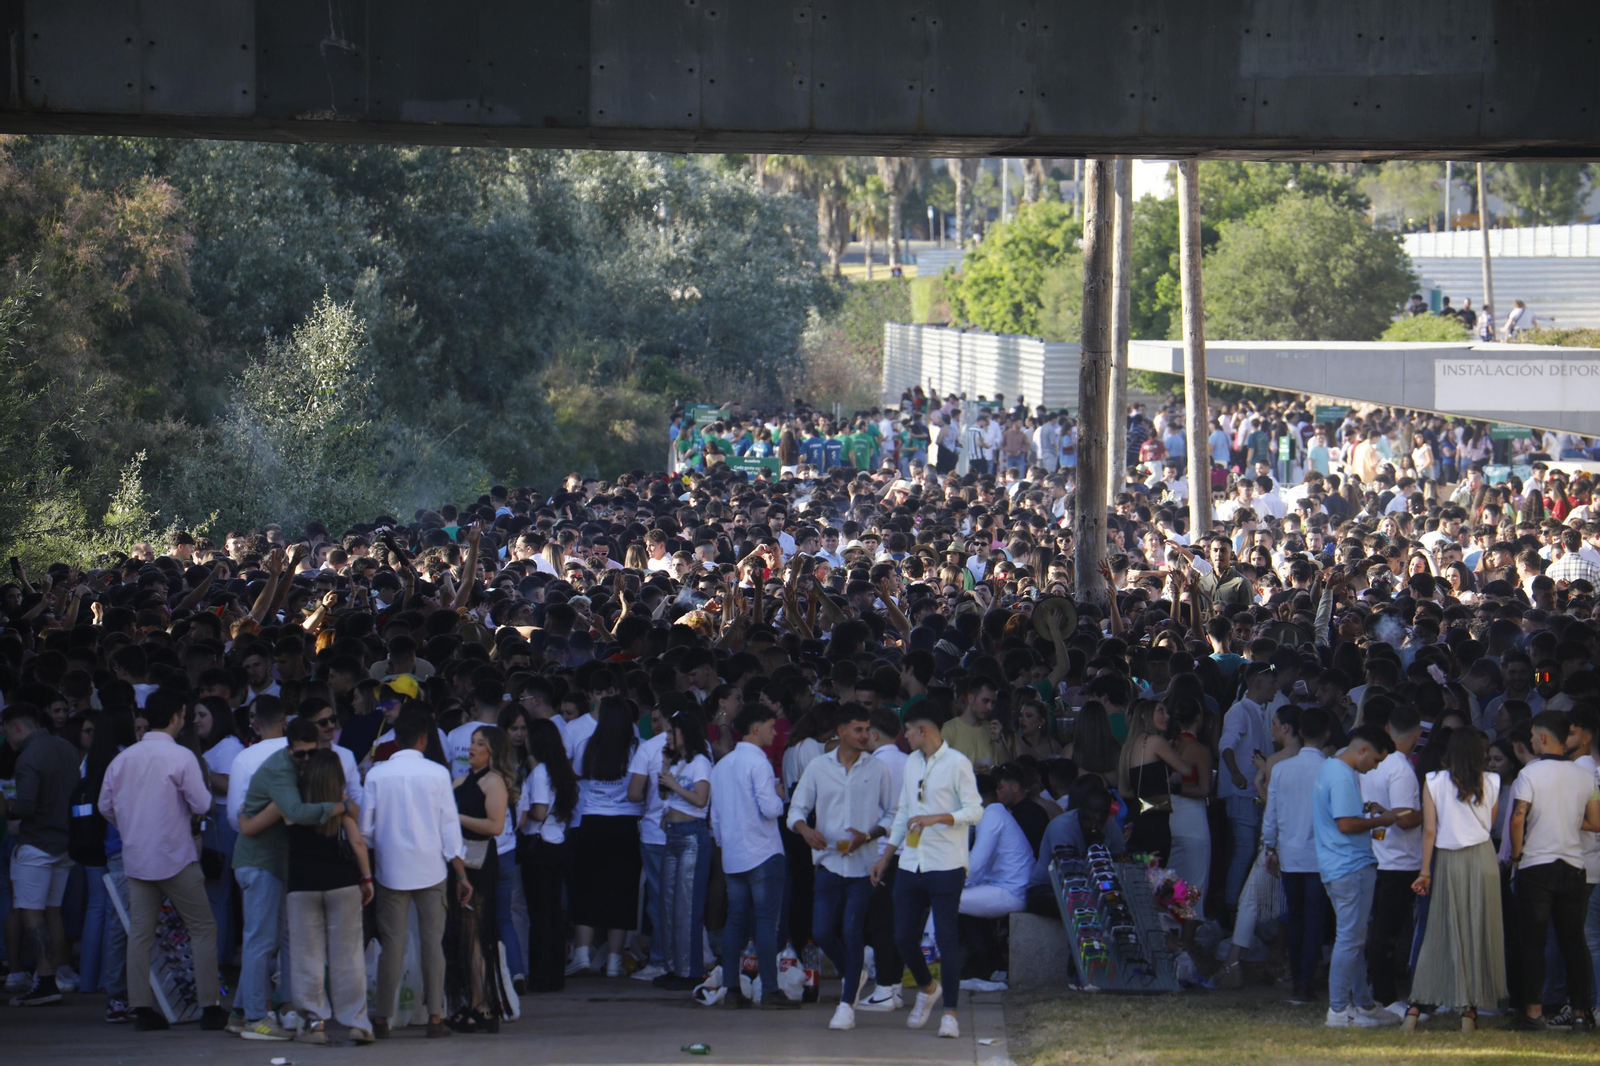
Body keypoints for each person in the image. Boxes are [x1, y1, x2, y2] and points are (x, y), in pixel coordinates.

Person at [96, 692, 229, 1032]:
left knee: (140, 934)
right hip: (175, 855)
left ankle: (142, 1008)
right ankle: (210, 1006)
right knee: (202, 928)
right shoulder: (181, 756)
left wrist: (129, 828)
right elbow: (202, 804)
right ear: (175, 717)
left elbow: (104, 806)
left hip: (137, 858)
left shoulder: (123, 759)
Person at [241, 747, 374, 1044]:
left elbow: (248, 825)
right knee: (349, 956)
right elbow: (357, 842)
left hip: (302, 886)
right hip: (342, 883)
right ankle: (357, 1023)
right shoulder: (342, 806)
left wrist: (242, 813)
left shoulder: (291, 807)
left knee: (307, 958)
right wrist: (366, 878)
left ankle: (314, 1022)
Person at [870, 703, 984, 1040]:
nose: (904, 736)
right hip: (911, 861)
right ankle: (927, 987)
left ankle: (950, 1013)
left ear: (923, 730)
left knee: (947, 938)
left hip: (946, 862)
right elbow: (903, 812)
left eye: (908, 730)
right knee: (902, 935)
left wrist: (940, 818)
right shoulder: (911, 763)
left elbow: (975, 811)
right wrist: (885, 857)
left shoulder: (957, 763)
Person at [361, 703, 472, 1040]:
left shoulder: (376, 774)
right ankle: (435, 1016)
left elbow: (365, 830)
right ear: (424, 739)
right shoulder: (438, 774)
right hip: (432, 869)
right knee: (432, 944)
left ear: (396, 739)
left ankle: (382, 1018)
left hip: (390, 871)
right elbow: (449, 829)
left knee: (392, 944)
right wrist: (461, 873)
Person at [787, 702, 896, 1030]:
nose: (865, 736)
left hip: (864, 866)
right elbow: (796, 810)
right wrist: (806, 831)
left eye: (867, 730)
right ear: (841, 731)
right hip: (829, 862)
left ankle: (847, 1005)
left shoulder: (877, 769)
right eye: (858, 730)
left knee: (852, 930)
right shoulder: (818, 767)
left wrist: (869, 835)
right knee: (821, 931)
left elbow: (894, 814)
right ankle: (854, 971)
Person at [1405, 728, 1505, 1032]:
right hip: (1482, 859)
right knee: (1476, 932)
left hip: (1448, 860)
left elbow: (1430, 831)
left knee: (1439, 930)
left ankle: (1415, 1008)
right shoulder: (1493, 781)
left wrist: (1425, 871)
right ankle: (1469, 1011)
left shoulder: (1434, 781)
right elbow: (1489, 825)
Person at [1506, 711, 1600, 1030]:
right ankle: (1581, 1013)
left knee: (1533, 941)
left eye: (1533, 736)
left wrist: (1516, 855)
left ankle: (1533, 1013)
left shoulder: (1530, 773)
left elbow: (1518, 817)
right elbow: (1596, 821)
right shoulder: (1584, 776)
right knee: (1574, 942)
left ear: (1543, 738)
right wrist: (1566, 820)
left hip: (1536, 865)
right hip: (1574, 866)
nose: (1532, 741)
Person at [1312, 725, 1403, 1029]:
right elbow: (1346, 824)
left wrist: (1367, 810)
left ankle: (1363, 1004)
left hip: (1340, 866)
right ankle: (1339, 1010)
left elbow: (1342, 814)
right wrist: (1383, 819)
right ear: (1362, 750)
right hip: (1349, 866)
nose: (1375, 767)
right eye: (1376, 760)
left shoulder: (1332, 767)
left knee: (1353, 939)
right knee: (1350, 940)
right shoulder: (1342, 775)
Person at [709, 700, 795, 1008]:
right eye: (771, 727)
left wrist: (726, 845)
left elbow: (715, 818)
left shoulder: (722, 765)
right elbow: (770, 809)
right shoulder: (759, 763)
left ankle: (732, 988)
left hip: (733, 854)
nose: (776, 732)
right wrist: (780, 796)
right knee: (766, 923)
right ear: (756, 729)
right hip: (763, 852)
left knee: (735, 921)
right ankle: (769, 989)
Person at [1, 703, 79, 1007]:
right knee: (53, 910)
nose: (6, 738)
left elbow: (25, 806)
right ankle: (54, 974)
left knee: (31, 912)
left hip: (35, 844)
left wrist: (7, 807)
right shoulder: (67, 749)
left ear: (17, 727)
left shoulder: (28, 757)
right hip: (65, 841)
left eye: (6, 731)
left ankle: (45, 980)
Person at [565, 696, 642, 978]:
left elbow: (575, 774)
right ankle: (614, 961)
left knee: (587, 888)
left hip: (592, 822)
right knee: (622, 891)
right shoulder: (636, 748)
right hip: (625, 823)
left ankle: (582, 955)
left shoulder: (589, 745)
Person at [445, 724, 516, 1031]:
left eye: (480, 744)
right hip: (457, 861)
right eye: (472, 742)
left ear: (493, 751)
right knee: (462, 936)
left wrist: (456, 818)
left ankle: (484, 1005)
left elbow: (495, 826)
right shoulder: (460, 780)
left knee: (474, 935)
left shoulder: (493, 781)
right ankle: (472, 1000)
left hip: (479, 862)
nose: (472, 748)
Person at [1261, 706, 1330, 1004]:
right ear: (1326, 734)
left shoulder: (1282, 769)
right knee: (1314, 919)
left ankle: (1297, 979)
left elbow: (1272, 812)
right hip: (1320, 855)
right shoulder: (1329, 768)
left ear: (1300, 731)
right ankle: (1306, 982)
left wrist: (1269, 846)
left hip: (1289, 853)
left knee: (1296, 917)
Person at [1361, 702, 1424, 1013]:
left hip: (1377, 854)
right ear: (1418, 734)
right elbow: (1404, 818)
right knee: (1387, 935)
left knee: (1378, 931)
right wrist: (1432, 810)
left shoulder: (1377, 761)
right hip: (1399, 861)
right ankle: (1384, 997)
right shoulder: (1400, 767)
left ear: (1387, 729)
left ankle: (1374, 990)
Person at [652, 705, 714, 992]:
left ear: (684, 734)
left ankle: (690, 969)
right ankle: (673, 966)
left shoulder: (701, 762)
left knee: (687, 906)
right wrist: (666, 767)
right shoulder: (677, 763)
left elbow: (701, 799)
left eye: (671, 732)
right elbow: (663, 793)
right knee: (667, 904)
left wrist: (674, 784)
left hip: (692, 835)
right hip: (673, 835)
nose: (667, 737)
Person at [516, 718, 578, 994]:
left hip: (539, 844)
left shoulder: (540, 772)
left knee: (539, 914)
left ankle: (541, 976)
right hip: (557, 841)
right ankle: (555, 975)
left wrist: (519, 805)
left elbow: (539, 812)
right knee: (554, 912)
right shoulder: (560, 769)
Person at [1116, 699, 1192, 864]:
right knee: (1156, 873)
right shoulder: (1155, 741)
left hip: (1136, 817)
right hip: (1154, 820)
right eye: (1160, 711)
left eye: (1167, 712)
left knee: (1138, 871)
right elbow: (1187, 770)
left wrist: (1150, 789)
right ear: (1144, 715)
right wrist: (1178, 748)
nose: (1167, 716)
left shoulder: (1130, 745)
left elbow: (1124, 791)